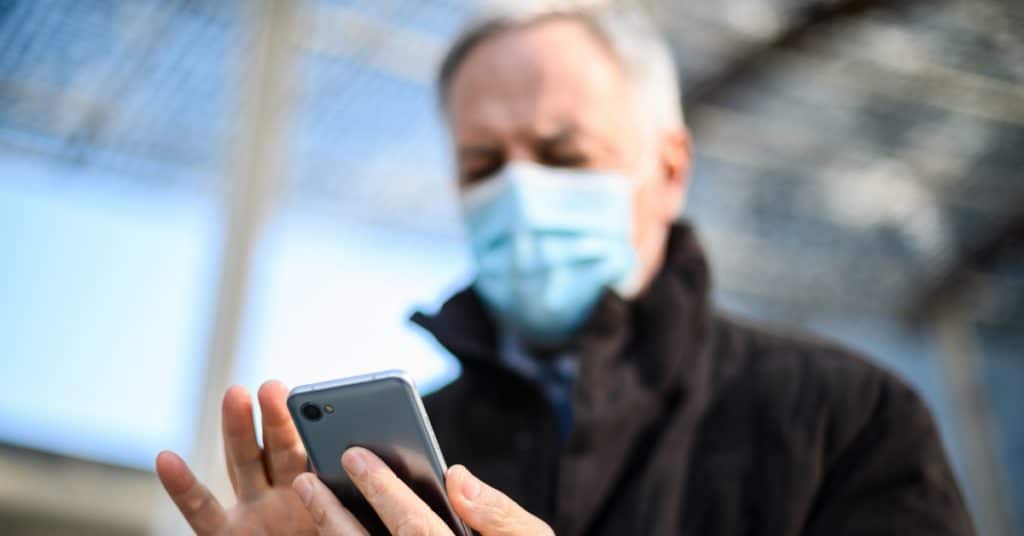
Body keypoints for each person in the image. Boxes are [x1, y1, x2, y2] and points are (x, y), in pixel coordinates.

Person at [155, 3, 975, 535]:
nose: (519, 189)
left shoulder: (845, 417)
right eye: (482, 165)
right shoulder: (394, 467)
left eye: (562, 153)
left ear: (670, 167)